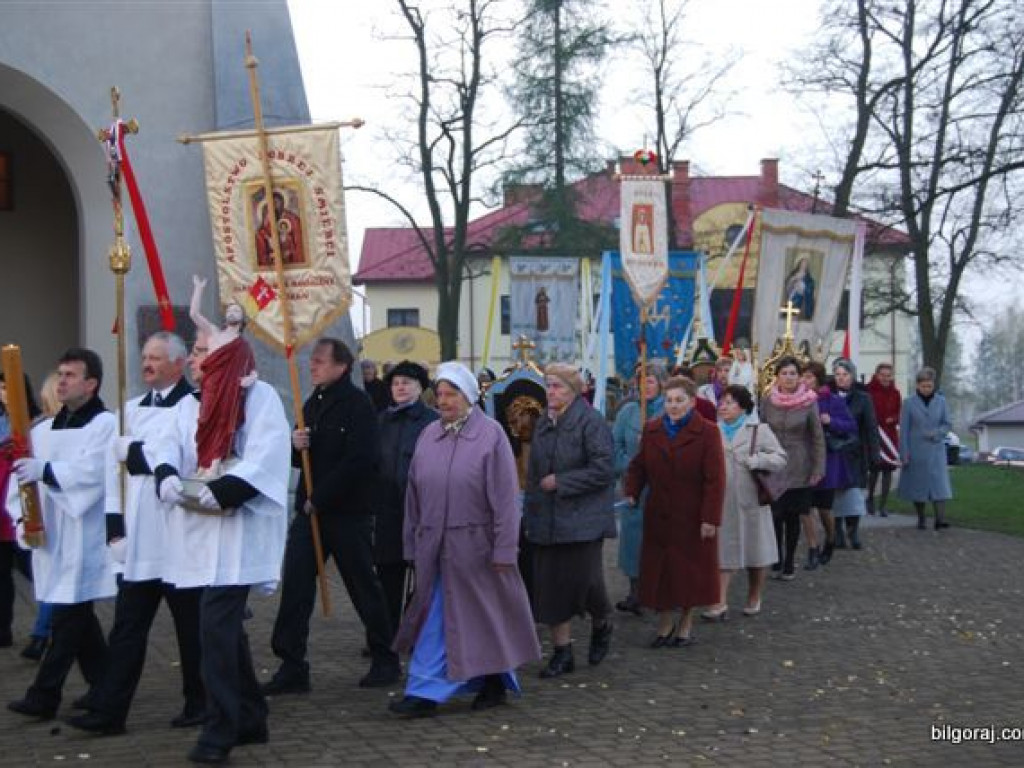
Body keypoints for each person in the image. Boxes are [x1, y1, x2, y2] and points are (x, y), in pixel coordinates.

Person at [152, 330, 290, 765]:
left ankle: (219, 728)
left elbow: (268, 450)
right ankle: (250, 715)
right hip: (199, 530)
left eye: (200, 352)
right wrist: (167, 474)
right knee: (222, 631)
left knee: (214, 629)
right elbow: (167, 443)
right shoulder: (190, 404)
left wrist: (230, 487)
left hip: (238, 533)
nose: (193, 360)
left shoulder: (258, 398)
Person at [67, 332, 204, 736]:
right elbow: (115, 474)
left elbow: (183, 459)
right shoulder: (129, 410)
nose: (146, 364)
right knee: (126, 629)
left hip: (179, 535)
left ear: (179, 364)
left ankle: (201, 701)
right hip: (140, 539)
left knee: (191, 628)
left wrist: (136, 454)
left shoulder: (194, 406)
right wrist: (114, 526)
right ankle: (110, 710)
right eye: (144, 357)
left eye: (157, 358)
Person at [388, 362, 540, 717]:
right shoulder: (429, 435)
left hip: (476, 548)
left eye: (451, 393)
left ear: (469, 396)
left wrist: (505, 548)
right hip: (434, 548)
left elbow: (505, 498)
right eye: (439, 394)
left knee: (459, 619)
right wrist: (412, 542)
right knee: (457, 618)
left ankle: (424, 691)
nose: (443, 401)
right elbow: (414, 494)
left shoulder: (491, 435)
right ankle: (490, 680)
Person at [263, 339, 401, 695]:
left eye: (320, 361)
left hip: (347, 513)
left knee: (362, 586)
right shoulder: (312, 402)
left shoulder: (358, 405)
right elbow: (301, 460)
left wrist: (321, 498)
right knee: (295, 584)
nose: (313, 367)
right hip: (311, 513)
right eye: (312, 361)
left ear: (342, 366)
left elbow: (360, 460)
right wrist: (295, 444)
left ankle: (385, 656)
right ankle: (292, 663)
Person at [7, 348, 117, 719]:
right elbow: (21, 479)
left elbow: (92, 473)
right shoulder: (42, 429)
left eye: (71, 374)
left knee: (68, 615)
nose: (63, 380)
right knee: (77, 615)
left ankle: (45, 694)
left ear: (91, 383)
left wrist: (47, 472)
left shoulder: (105, 424)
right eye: (61, 373)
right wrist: (24, 518)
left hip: (83, 531)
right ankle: (105, 684)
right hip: (51, 535)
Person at [525, 363, 616, 678]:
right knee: (550, 586)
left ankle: (602, 621)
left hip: (583, 519)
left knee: (585, 582)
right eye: (548, 386)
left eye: (558, 387)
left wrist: (563, 482)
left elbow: (604, 469)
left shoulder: (590, 422)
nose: (551, 392)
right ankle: (562, 653)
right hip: (546, 518)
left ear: (574, 391)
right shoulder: (543, 422)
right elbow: (536, 471)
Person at [625, 376, 725, 644]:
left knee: (689, 572)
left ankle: (686, 623)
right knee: (662, 572)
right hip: (659, 514)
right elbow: (638, 466)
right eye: (669, 401)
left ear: (692, 402)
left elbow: (715, 480)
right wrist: (632, 490)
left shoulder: (708, 432)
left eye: (680, 400)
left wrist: (710, 518)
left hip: (691, 516)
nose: (674, 406)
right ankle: (665, 623)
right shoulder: (653, 429)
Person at [705, 385, 785, 619]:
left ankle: (754, 594)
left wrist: (759, 460)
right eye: (722, 402)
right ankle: (719, 602)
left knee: (756, 552)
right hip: (723, 501)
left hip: (752, 500)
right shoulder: (711, 431)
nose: (724, 406)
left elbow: (780, 458)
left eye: (730, 402)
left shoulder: (758, 431)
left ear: (743, 407)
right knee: (723, 550)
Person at [373, 360, 438, 632]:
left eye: (406, 383)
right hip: (387, 508)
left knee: (422, 574)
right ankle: (385, 632)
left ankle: (416, 630)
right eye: (396, 383)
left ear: (420, 387)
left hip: (421, 508)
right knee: (387, 574)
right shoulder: (381, 420)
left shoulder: (432, 421)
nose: (400, 388)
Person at [758, 357, 824, 581]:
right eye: (784, 373)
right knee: (775, 513)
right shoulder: (768, 400)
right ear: (777, 376)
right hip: (774, 463)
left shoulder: (809, 401)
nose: (789, 378)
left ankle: (789, 562)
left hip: (799, 463)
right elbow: (760, 429)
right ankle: (776, 557)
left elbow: (817, 436)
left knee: (793, 515)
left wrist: (818, 467)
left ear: (799, 377)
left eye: (793, 373)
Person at [612, 363, 666, 615]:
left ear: (661, 383)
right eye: (641, 381)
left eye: (651, 381)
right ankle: (635, 591)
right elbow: (615, 445)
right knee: (633, 540)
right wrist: (628, 466)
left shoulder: (670, 408)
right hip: (634, 485)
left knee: (659, 538)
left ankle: (659, 591)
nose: (646, 386)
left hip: (662, 486)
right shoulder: (628, 412)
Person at [189, 275, 256, 476]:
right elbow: (194, 314)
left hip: (230, 389)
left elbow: (252, 369)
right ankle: (203, 462)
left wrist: (249, 380)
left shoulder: (243, 346)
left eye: (236, 310)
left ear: (243, 318)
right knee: (204, 420)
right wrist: (199, 289)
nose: (231, 312)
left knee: (224, 423)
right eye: (229, 310)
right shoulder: (214, 333)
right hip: (212, 386)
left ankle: (215, 463)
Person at [19, 372, 59, 661]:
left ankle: (41, 633)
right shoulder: (39, 430)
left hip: (62, 516)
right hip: (43, 514)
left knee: (60, 586)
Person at [802, 361, 857, 567]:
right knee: (804, 508)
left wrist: (831, 421)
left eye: (809, 377)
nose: (804, 381)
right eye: (803, 377)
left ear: (818, 379)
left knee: (824, 509)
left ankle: (831, 539)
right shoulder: (799, 401)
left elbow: (850, 426)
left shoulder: (832, 401)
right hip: (804, 461)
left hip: (827, 461)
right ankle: (812, 549)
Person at [1, 373, 40, 648]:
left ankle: (47, 625)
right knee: (2, 573)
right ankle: (3, 629)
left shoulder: (33, 421)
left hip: (22, 501)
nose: (2, 392)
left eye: (6, 386)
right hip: (1, 502)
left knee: (33, 568)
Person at [831, 359, 880, 550]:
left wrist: (875, 453)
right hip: (834, 452)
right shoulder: (828, 397)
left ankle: (853, 530)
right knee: (835, 494)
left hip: (855, 453)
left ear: (852, 376)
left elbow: (871, 427)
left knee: (853, 495)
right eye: (838, 375)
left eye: (845, 374)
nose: (841, 378)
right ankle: (837, 531)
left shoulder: (863, 399)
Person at [897, 367, 953, 530]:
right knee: (918, 486)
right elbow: (904, 429)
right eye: (924, 386)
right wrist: (904, 453)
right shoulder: (908, 403)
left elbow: (947, 423)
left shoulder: (941, 402)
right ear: (917, 386)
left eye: (930, 385)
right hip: (916, 451)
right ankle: (921, 518)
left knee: (939, 486)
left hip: (936, 451)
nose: (927, 389)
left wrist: (937, 433)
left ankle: (939, 519)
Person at [866, 363, 902, 516]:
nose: (886, 378)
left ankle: (883, 505)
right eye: (883, 375)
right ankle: (870, 500)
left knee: (888, 471)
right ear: (877, 374)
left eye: (889, 375)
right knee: (874, 470)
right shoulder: (868, 391)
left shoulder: (896, 393)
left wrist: (893, 418)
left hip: (890, 436)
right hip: (874, 435)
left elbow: (899, 413)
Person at [255, 190, 304, 268]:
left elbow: (296, 240)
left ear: (283, 203)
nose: (275, 206)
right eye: (272, 204)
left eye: (277, 203)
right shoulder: (262, 231)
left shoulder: (291, 218)